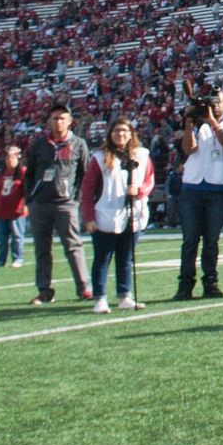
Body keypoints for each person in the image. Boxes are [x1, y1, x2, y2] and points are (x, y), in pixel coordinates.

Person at [80, 115, 155, 312]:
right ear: (110, 134)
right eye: (116, 131)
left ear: (131, 134)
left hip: (133, 214)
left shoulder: (142, 155)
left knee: (126, 258)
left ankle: (125, 295)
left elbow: (149, 180)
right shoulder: (99, 157)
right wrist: (88, 217)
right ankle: (100, 297)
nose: (120, 134)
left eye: (124, 131)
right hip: (106, 215)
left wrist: (139, 191)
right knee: (103, 258)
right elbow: (87, 189)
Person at [22, 102, 93, 307]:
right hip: (40, 204)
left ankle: (83, 287)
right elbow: (29, 174)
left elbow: (85, 175)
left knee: (73, 246)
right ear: (49, 121)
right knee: (42, 249)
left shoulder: (78, 144)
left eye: (62, 118)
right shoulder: (39, 145)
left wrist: (77, 200)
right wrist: (30, 199)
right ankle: (44, 290)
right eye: (55, 118)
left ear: (70, 122)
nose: (58, 121)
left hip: (65, 204)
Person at [171, 89, 223, 300]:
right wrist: (190, 122)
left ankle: (210, 282)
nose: (215, 106)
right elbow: (188, 149)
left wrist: (212, 122)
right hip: (193, 187)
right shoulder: (198, 127)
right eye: (212, 103)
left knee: (211, 240)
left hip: (217, 188)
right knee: (190, 240)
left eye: (218, 102)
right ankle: (185, 285)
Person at [0, 144, 28, 268]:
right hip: (2, 211)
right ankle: (1, 260)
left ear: (18, 158)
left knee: (17, 236)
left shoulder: (23, 172)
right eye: (8, 157)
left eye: (12, 157)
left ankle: (18, 258)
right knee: (2, 239)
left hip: (17, 210)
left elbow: (28, 191)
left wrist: (25, 205)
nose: (10, 160)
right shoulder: (2, 174)